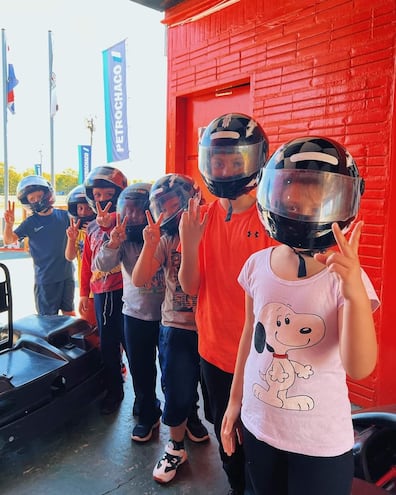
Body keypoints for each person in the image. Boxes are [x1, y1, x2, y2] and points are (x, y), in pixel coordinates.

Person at [220, 136, 380, 495]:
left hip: (320, 444)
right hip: (260, 427)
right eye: (293, 188)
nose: (302, 202)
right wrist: (234, 402)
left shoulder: (344, 277)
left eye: (316, 193)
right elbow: (252, 335)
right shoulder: (257, 265)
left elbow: (359, 366)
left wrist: (354, 291)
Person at [178, 113, 270, 495]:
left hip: (258, 357)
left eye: (236, 161)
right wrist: (190, 242)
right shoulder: (203, 217)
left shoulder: (270, 219)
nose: (226, 169)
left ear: (254, 161)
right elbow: (192, 287)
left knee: (258, 439)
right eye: (219, 161)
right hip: (212, 351)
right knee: (224, 432)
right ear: (207, 163)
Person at [132, 173, 209, 484]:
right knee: (176, 388)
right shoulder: (165, 239)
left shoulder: (213, 227)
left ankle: (194, 420)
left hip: (213, 325)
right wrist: (150, 244)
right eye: (164, 205)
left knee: (212, 393)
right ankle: (176, 446)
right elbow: (139, 279)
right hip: (176, 325)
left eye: (174, 204)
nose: (170, 211)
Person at [93, 183, 164, 441]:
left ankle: (186, 415)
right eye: (129, 211)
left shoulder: (163, 236)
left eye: (139, 211)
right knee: (141, 370)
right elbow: (101, 264)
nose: (133, 217)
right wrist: (112, 242)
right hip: (134, 315)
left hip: (168, 316)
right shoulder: (121, 239)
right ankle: (148, 412)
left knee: (172, 371)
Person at [80, 165, 128, 415]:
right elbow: (86, 262)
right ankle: (114, 390)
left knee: (131, 344)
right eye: (97, 195)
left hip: (124, 291)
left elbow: (120, 245)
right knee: (107, 345)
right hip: (100, 293)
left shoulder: (127, 221)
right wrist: (83, 293)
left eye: (107, 194)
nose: (101, 200)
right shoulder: (90, 228)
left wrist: (109, 226)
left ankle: (145, 398)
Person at [3, 175, 75, 316]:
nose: (36, 200)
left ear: (47, 194)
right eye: (32, 199)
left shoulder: (64, 216)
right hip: (46, 280)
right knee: (47, 320)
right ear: (27, 202)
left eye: (39, 196)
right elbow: (9, 240)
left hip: (67, 275)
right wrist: (9, 225)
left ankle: (69, 338)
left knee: (69, 313)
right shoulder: (30, 222)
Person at [65, 184, 97, 326]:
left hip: (104, 287)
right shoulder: (77, 233)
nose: (83, 212)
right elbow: (69, 256)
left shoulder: (101, 231)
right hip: (87, 290)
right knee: (89, 328)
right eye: (80, 208)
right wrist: (72, 239)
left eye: (88, 208)